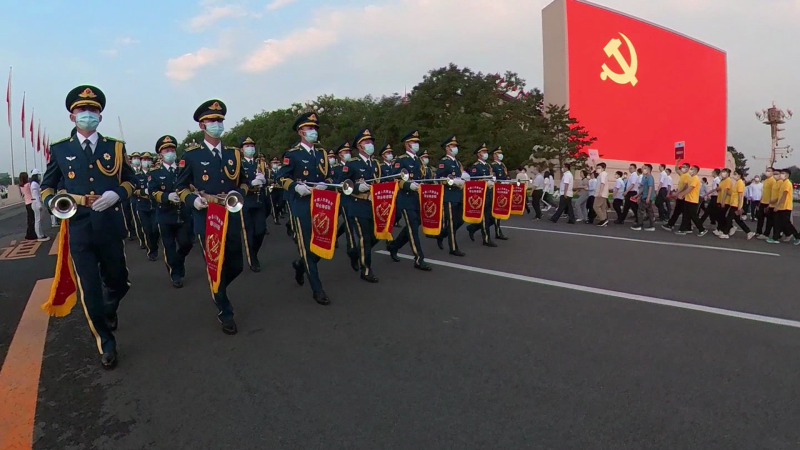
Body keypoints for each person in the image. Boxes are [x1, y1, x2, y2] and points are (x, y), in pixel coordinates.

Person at [40, 84, 136, 369]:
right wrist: (55, 203)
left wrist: (116, 194)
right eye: (82, 110)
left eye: (93, 110)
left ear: (100, 116)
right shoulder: (60, 149)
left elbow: (132, 181)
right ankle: (106, 342)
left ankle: (110, 307)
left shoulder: (115, 148)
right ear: (72, 116)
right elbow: (47, 187)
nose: (88, 114)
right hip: (79, 228)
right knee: (89, 289)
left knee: (119, 281)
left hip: (109, 225)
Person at [176, 98, 249, 332]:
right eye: (211, 120)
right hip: (206, 216)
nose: (216, 124)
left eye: (219, 120)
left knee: (237, 264)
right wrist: (193, 200)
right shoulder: (191, 155)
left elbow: (244, 183)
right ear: (202, 126)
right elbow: (181, 187)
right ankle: (224, 310)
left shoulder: (234, 154)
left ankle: (219, 289)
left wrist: (238, 192)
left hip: (231, 213)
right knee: (215, 264)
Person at [276, 112, 333, 304]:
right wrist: (296, 187)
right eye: (310, 128)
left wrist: (327, 183)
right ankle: (318, 289)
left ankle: (300, 265)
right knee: (308, 246)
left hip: (322, 204)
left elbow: (331, 176)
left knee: (323, 244)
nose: (314, 132)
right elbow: (281, 178)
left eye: (315, 128)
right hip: (301, 205)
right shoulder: (292, 155)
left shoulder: (322, 154)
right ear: (301, 131)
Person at [148, 135, 194, 288]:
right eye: (167, 150)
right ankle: (175, 274)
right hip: (165, 215)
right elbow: (152, 192)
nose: (170, 152)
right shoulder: (154, 173)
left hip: (183, 213)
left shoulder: (183, 169)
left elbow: (192, 185)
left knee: (187, 243)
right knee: (169, 247)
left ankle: (179, 260)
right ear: (160, 154)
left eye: (172, 149)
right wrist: (167, 196)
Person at [387, 130, 432, 271]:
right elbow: (395, 179)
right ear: (407, 144)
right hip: (405, 198)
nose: (416, 144)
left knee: (413, 226)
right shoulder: (401, 160)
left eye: (417, 142)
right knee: (412, 227)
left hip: (417, 198)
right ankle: (419, 258)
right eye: (414, 142)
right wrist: (408, 185)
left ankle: (394, 246)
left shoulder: (418, 160)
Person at [341, 128, 381, 283]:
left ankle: (356, 253)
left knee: (375, 236)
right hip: (358, 205)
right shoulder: (352, 164)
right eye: (366, 142)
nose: (370, 144)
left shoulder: (376, 164)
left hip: (374, 205)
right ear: (359, 146)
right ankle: (366, 270)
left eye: (371, 142)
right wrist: (357, 188)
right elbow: (341, 183)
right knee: (365, 238)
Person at [238, 137, 268, 272]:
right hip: (246, 201)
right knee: (248, 231)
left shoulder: (259, 164)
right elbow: (236, 182)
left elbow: (267, 180)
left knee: (260, 230)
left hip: (259, 200)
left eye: (252, 145)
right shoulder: (239, 164)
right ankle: (252, 259)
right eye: (247, 146)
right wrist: (251, 184)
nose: (250, 148)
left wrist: (263, 180)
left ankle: (254, 252)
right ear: (241, 149)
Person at [436, 135, 468, 256]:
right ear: (447, 147)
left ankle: (441, 235)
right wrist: (453, 182)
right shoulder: (444, 162)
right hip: (449, 195)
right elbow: (439, 178)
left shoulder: (457, 162)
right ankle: (453, 248)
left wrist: (461, 181)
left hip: (458, 195)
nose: (455, 148)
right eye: (453, 146)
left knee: (460, 220)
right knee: (451, 221)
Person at [467, 143, 497, 247]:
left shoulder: (488, 166)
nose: (486, 154)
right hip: (481, 194)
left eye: (486, 152)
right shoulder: (476, 167)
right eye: (483, 152)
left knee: (491, 217)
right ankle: (486, 239)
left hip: (489, 192)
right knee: (485, 218)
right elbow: (473, 181)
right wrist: (485, 183)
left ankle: (473, 228)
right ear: (479, 154)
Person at [134, 152, 159, 261]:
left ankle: (155, 245)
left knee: (155, 229)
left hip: (154, 205)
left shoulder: (155, 174)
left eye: (149, 159)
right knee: (147, 229)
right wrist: (144, 191)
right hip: (142, 205)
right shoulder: (137, 176)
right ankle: (151, 251)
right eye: (144, 159)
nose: (147, 161)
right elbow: (133, 190)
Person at [719, 169, 754, 240]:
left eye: (735, 174)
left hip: (736, 204)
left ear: (739, 175)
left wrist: (739, 206)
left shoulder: (740, 183)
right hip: (733, 203)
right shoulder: (737, 183)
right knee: (738, 220)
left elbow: (740, 196)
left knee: (729, 218)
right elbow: (733, 193)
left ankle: (725, 233)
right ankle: (748, 232)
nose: (734, 175)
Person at [768, 169, 800, 245]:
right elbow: (780, 196)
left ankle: (797, 237)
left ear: (787, 175)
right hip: (782, 207)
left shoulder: (787, 183)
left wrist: (777, 206)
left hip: (785, 207)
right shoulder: (783, 183)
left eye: (783, 173)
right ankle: (775, 237)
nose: (781, 175)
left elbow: (784, 196)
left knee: (786, 223)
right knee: (778, 223)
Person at [675, 165, 707, 236]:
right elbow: (685, 186)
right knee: (686, 215)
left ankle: (702, 229)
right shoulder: (690, 178)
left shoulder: (695, 178)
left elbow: (690, 189)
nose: (690, 170)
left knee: (693, 216)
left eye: (692, 169)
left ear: (695, 171)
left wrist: (681, 194)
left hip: (692, 201)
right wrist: (680, 194)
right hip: (688, 199)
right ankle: (683, 229)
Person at [489, 146, 510, 240]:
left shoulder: (502, 165)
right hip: (496, 191)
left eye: (501, 153)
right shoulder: (493, 166)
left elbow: (506, 177)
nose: (500, 155)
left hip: (503, 191)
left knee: (497, 214)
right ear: (494, 155)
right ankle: (498, 232)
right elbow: (493, 179)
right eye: (498, 153)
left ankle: (498, 232)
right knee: (492, 214)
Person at [664, 162, 690, 231]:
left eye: (684, 167)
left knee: (683, 212)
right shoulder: (682, 175)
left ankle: (684, 226)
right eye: (682, 167)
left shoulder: (687, 175)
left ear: (688, 168)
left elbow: (685, 186)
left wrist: (677, 193)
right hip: (680, 196)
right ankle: (671, 224)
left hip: (683, 197)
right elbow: (676, 169)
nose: (682, 168)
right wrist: (677, 161)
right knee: (678, 211)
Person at [632, 164, 655, 231]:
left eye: (645, 168)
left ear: (648, 169)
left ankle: (640, 224)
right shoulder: (645, 177)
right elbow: (643, 189)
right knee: (649, 211)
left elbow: (650, 187)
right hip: (645, 196)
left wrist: (648, 197)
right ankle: (651, 225)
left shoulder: (650, 177)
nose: (643, 169)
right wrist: (637, 195)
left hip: (646, 197)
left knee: (640, 210)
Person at [28, 169, 50, 241]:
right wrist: (39, 205)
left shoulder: (35, 183)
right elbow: (35, 196)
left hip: (36, 202)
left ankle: (40, 234)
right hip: (36, 203)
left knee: (39, 220)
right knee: (38, 220)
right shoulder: (34, 184)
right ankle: (40, 236)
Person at [756, 169, 775, 239]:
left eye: (769, 171)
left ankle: (766, 234)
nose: (767, 172)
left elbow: (773, 193)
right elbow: (763, 192)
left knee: (769, 220)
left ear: (772, 172)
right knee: (760, 218)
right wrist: (760, 202)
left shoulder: (773, 181)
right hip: (763, 202)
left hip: (768, 203)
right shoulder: (765, 181)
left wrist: (770, 204)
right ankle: (759, 232)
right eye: (767, 171)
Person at [20, 172, 38, 241]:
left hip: (27, 203)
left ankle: (29, 234)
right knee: (33, 219)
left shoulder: (21, 186)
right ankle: (31, 234)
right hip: (31, 202)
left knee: (29, 219)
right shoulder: (28, 185)